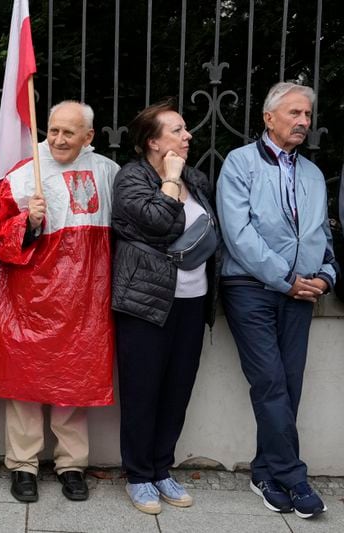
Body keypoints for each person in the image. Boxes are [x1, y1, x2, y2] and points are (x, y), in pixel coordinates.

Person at [0, 100, 117, 503]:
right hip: (28, 300)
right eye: (53, 130)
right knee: (25, 388)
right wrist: (29, 222)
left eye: (68, 133)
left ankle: (71, 464)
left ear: (88, 137)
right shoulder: (23, 174)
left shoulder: (109, 173)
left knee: (71, 389)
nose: (57, 139)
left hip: (85, 299)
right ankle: (23, 466)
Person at [217, 82, 335, 519]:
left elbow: (321, 234)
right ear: (269, 118)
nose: (303, 122)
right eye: (294, 114)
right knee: (269, 381)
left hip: (302, 291)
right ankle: (293, 476)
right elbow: (238, 234)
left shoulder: (312, 174)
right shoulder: (239, 163)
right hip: (251, 288)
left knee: (290, 384)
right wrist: (285, 279)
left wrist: (326, 275)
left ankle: (264, 471)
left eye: (307, 114)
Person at [111, 101, 220, 515]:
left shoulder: (197, 178)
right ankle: (138, 475)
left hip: (193, 301)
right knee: (143, 391)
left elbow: (209, 231)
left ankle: (161, 468)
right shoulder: (131, 179)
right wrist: (171, 180)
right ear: (153, 141)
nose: (187, 135)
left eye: (186, 129)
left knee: (178, 389)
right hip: (146, 302)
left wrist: (180, 178)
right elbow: (157, 221)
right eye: (177, 130)